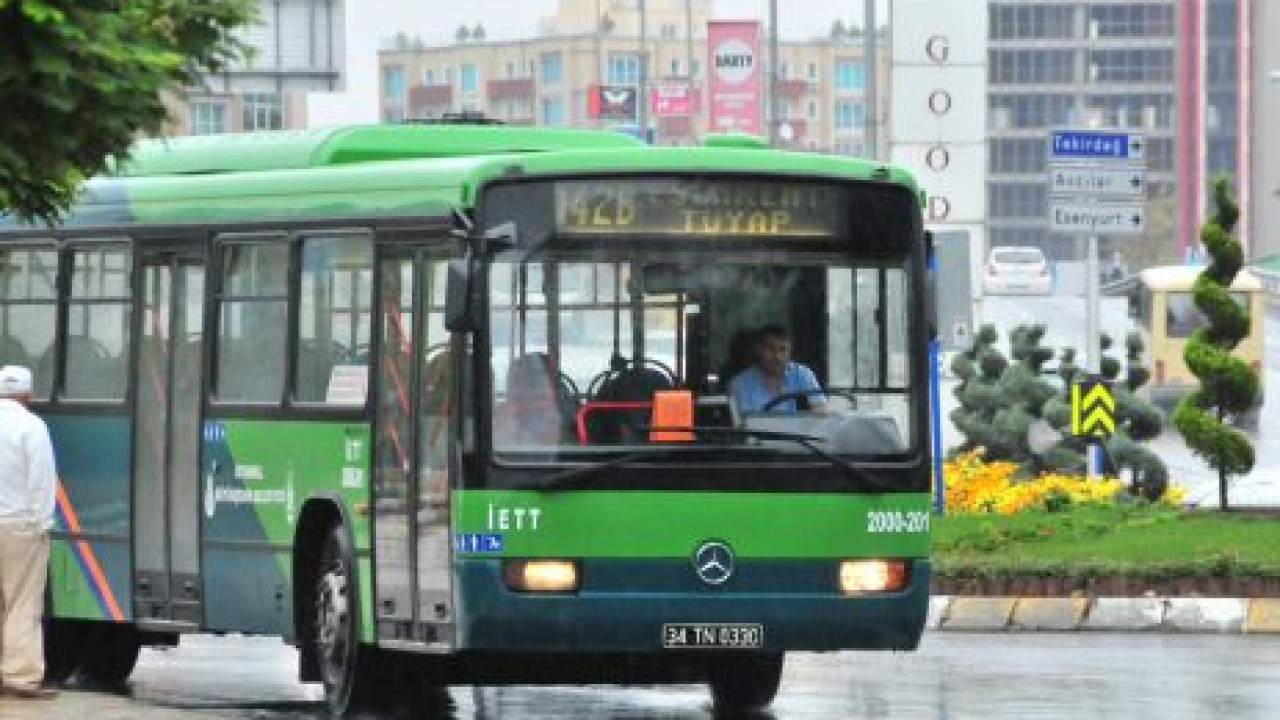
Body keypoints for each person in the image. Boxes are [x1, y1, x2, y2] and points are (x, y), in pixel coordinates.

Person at [0, 365, 59, 700]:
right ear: (28, 394)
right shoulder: (32, 427)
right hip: (21, 526)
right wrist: (43, 523)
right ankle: (19, 676)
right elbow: (41, 480)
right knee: (22, 601)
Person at [728, 325, 827, 414]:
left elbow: (820, 410)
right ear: (758, 349)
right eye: (771, 349)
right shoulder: (739, 384)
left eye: (783, 350)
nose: (777, 356)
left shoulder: (802, 374)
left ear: (790, 351)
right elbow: (744, 423)